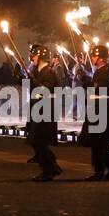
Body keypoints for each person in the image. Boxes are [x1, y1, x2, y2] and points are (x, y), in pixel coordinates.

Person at [82, 45, 109, 180]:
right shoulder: (99, 71)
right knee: (100, 142)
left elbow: (101, 90)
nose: (92, 58)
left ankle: (100, 171)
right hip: (98, 107)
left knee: (99, 142)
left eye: (94, 56)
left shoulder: (105, 72)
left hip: (101, 108)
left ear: (101, 58)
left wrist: (88, 84)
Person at [27, 44, 62, 181]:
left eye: (34, 55)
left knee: (39, 141)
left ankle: (49, 169)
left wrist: (33, 81)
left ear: (40, 56)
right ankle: (51, 167)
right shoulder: (39, 71)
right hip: (38, 109)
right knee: (37, 141)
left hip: (45, 110)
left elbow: (44, 90)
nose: (32, 58)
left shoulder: (49, 72)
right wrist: (21, 78)